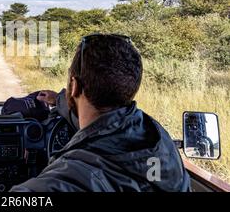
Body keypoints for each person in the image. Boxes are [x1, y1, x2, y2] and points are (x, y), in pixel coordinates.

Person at [11, 34, 191, 192]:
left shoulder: (72, 178)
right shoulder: (158, 136)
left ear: (73, 86)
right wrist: (59, 100)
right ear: (130, 86)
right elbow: (99, 124)